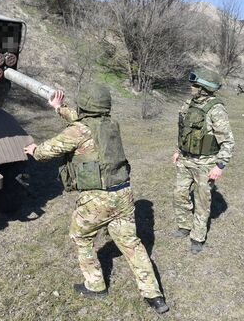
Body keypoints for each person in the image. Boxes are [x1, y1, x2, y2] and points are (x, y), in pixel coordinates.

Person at [24, 84, 168, 314]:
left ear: (85, 105)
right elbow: (83, 122)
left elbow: (45, 152)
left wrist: (33, 150)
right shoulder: (111, 124)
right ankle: (155, 296)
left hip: (96, 199)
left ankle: (95, 285)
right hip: (123, 193)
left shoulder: (79, 131)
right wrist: (59, 108)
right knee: (132, 244)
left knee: (80, 237)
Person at [171, 68, 235, 254]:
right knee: (179, 194)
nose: (191, 88)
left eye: (195, 85)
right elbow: (183, 131)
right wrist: (178, 150)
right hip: (185, 160)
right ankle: (184, 226)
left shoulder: (216, 109)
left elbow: (228, 141)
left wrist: (220, 165)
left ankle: (197, 237)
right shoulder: (188, 104)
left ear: (203, 88)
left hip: (205, 164)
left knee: (202, 201)